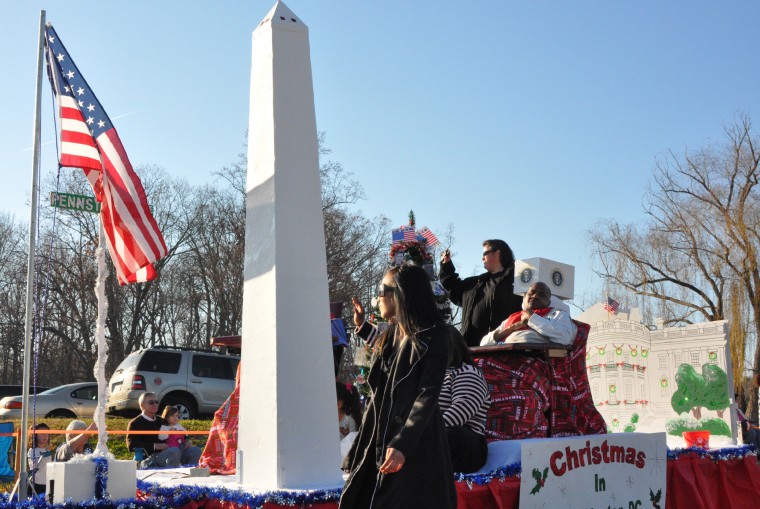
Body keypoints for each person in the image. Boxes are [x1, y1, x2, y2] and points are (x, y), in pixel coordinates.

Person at [340, 264, 456, 509]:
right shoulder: (394, 332)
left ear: (399, 294)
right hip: (380, 434)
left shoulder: (435, 336)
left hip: (415, 444)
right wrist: (361, 325)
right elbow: (387, 355)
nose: (377, 298)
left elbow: (427, 396)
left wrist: (403, 444)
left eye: (381, 290)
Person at [439, 239, 522, 347]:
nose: (482, 258)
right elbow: (453, 286)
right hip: (472, 353)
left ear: (497, 253)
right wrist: (446, 264)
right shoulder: (475, 284)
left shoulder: (518, 282)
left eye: (485, 254)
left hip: (504, 352)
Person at [441, 328, 491, 473]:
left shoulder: (466, 372)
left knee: (450, 436)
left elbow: (459, 413)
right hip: (432, 434)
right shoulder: (429, 376)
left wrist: (419, 433)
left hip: (465, 444)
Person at [480, 282, 577, 346]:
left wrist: (531, 318)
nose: (535, 296)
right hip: (503, 355)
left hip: (533, 360)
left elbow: (564, 338)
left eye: (542, 295)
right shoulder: (512, 318)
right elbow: (483, 343)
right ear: (525, 297)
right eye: (532, 293)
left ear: (548, 303)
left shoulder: (557, 314)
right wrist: (510, 328)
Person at [127, 392, 202, 467]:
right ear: (142, 405)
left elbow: (179, 430)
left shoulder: (162, 420)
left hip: (172, 450)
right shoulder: (135, 423)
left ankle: (191, 473)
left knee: (196, 450)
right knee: (174, 451)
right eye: (151, 402)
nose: (155, 404)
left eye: (156, 402)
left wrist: (187, 440)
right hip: (150, 457)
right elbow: (131, 445)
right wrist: (155, 446)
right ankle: (172, 475)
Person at [27, 423, 52, 494]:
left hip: (47, 484)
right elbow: (36, 467)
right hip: (36, 485)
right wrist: (43, 456)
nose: (45, 436)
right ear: (35, 435)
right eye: (42, 433)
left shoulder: (47, 451)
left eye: (47, 433)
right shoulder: (32, 451)